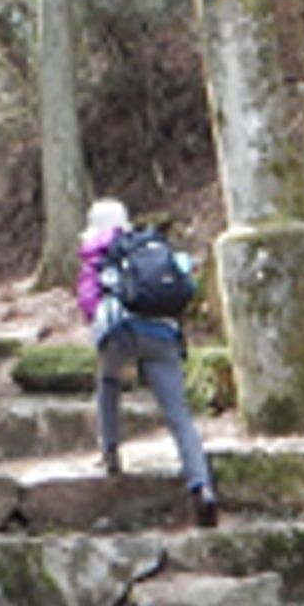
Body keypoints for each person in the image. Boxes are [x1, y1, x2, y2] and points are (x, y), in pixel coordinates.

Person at [76, 197, 218, 529]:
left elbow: (88, 302)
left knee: (108, 381)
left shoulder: (97, 250)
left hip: (122, 332)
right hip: (162, 334)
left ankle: (111, 454)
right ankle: (202, 486)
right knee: (179, 414)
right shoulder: (149, 242)